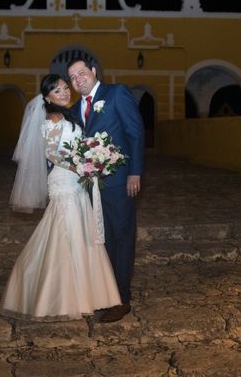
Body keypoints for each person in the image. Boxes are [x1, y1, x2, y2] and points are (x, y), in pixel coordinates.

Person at [0, 74, 121, 321]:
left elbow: (75, 146)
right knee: (64, 233)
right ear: (46, 97)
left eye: (66, 88)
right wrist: (81, 165)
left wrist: (93, 156)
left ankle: (86, 294)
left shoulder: (67, 114)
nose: (64, 93)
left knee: (80, 233)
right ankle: (55, 295)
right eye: (57, 91)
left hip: (76, 181)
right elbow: (52, 153)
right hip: (64, 181)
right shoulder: (50, 117)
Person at [67, 57, 145, 323]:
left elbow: (135, 133)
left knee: (122, 237)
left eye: (81, 73)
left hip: (120, 180)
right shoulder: (76, 108)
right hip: (92, 186)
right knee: (103, 240)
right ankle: (106, 293)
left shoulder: (116, 93)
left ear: (94, 72)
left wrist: (135, 172)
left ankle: (122, 300)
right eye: (73, 77)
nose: (78, 79)